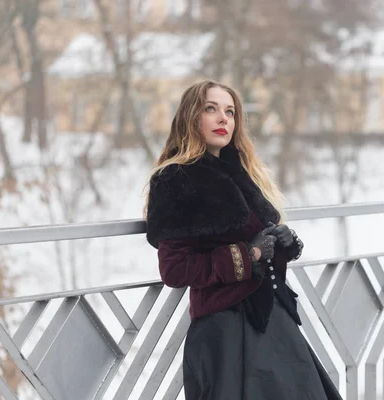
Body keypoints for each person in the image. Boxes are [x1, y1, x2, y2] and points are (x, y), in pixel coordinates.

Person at [144, 80, 342, 400]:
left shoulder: (242, 172)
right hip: (225, 329)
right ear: (190, 117)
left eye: (230, 111)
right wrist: (248, 255)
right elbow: (175, 269)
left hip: (272, 323)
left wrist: (281, 243)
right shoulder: (174, 179)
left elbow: (260, 245)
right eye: (211, 109)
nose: (224, 119)